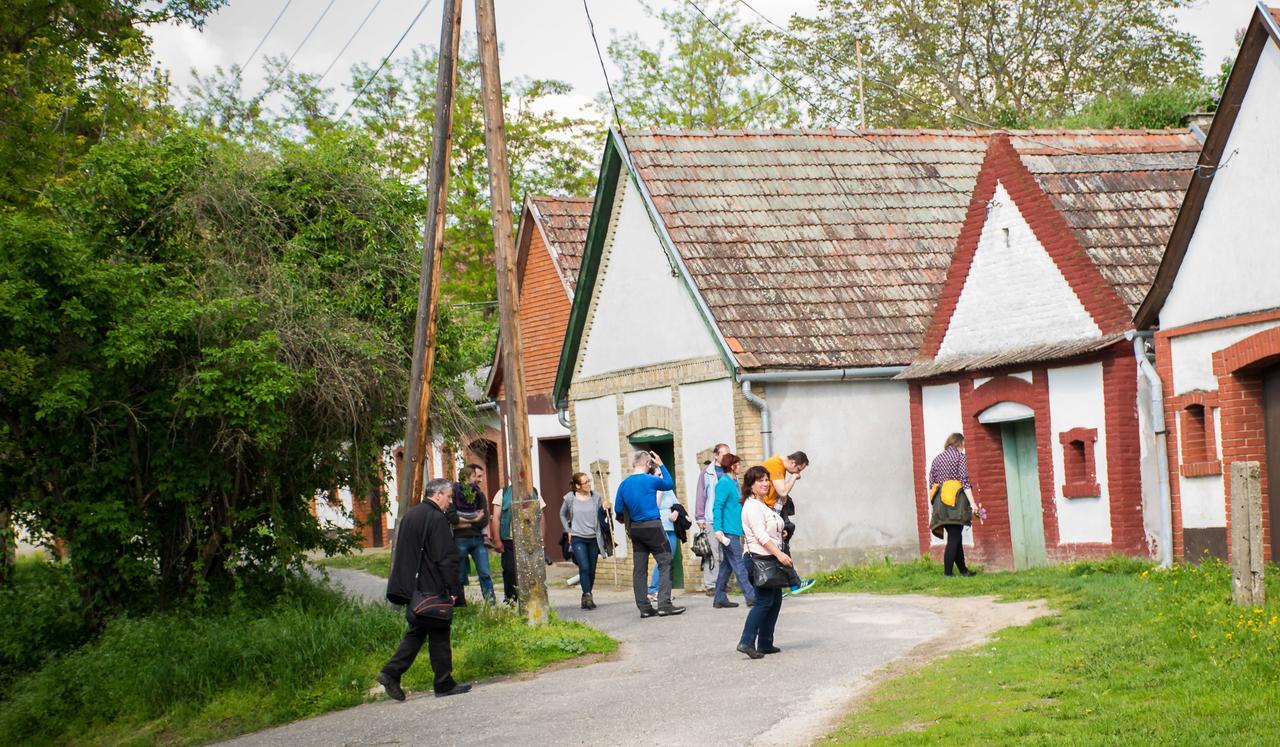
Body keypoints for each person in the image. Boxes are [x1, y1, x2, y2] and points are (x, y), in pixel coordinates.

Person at [378, 478, 471, 700]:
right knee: (439, 629)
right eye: (448, 497)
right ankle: (443, 682)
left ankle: (391, 673)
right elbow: (445, 557)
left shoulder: (411, 515)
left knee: (418, 630)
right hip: (432, 586)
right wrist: (453, 588)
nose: (450, 502)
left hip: (414, 587)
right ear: (437, 495)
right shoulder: (436, 517)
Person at [614, 449, 685, 618]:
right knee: (665, 561)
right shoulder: (651, 480)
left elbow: (618, 510)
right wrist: (660, 463)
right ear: (647, 464)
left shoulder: (623, 484)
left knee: (639, 569)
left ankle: (644, 608)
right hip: (653, 527)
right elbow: (668, 484)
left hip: (635, 530)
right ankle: (664, 605)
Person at [737, 466, 793, 659]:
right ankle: (746, 641)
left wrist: (781, 532)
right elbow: (760, 536)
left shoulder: (762, 504)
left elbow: (769, 528)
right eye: (760, 480)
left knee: (775, 600)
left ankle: (765, 643)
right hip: (758, 558)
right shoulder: (752, 506)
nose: (765, 483)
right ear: (750, 485)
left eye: (767, 479)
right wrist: (780, 555)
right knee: (763, 601)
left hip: (768, 557)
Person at [761, 451, 815, 595]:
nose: (798, 473)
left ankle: (781, 585)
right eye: (798, 469)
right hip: (767, 510)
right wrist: (793, 478)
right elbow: (783, 491)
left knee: (781, 544)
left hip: (773, 510)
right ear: (793, 463)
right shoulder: (775, 465)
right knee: (779, 547)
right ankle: (793, 583)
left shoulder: (779, 466)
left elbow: (780, 493)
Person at [928, 433, 982, 577]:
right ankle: (947, 573)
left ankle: (963, 571)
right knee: (954, 538)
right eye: (963, 445)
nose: (964, 448)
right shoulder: (960, 457)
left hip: (940, 503)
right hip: (954, 502)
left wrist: (933, 507)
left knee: (955, 536)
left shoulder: (936, 459)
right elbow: (964, 482)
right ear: (959, 443)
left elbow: (931, 484)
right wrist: (973, 503)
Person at [712, 453, 756, 609]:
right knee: (739, 564)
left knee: (727, 566)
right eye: (739, 464)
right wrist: (718, 529)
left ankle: (719, 598)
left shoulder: (734, 482)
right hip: (728, 531)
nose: (741, 467)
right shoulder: (724, 483)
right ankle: (751, 597)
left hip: (735, 530)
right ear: (732, 466)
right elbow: (717, 507)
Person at [561, 472, 607, 610]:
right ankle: (588, 595)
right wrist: (567, 530)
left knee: (592, 570)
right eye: (585, 482)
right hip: (578, 537)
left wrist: (605, 509)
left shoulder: (596, 496)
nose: (588, 484)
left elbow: (602, 516)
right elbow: (562, 514)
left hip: (594, 538)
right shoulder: (570, 498)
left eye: (589, 481)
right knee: (584, 567)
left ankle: (586, 595)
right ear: (577, 486)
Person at [449, 464, 494, 605]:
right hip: (460, 539)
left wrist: (465, 521)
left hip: (478, 539)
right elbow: (452, 518)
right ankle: (460, 605)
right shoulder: (454, 492)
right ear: (467, 476)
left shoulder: (479, 494)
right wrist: (474, 519)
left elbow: (485, 518)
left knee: (485, 573)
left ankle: (491, 604)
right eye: (475, 476)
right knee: (460, 575)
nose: (478, 480)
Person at [695, 443, 732, 594]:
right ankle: (711, 585)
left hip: (726, 519)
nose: (726, 458)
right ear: (716, 455)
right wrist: (700, 518)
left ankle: (722, 583)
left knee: (725, 554)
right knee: (712, 553)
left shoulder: (730, 472)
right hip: (710, 519)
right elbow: (701, 496)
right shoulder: (706, 473)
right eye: (724, 455)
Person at [646, 468, 682, 603]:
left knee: (669, 558)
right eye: (658, 475)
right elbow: (654, 505)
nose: (661, 477)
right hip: (660, 527)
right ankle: (653, 589)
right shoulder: (652, 489)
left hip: (672, 527)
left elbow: (677, 504)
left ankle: (663, 591)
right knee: (663, 559)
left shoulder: (668, 489)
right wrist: (659, 490)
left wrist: (676, 513)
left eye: (661, 475)